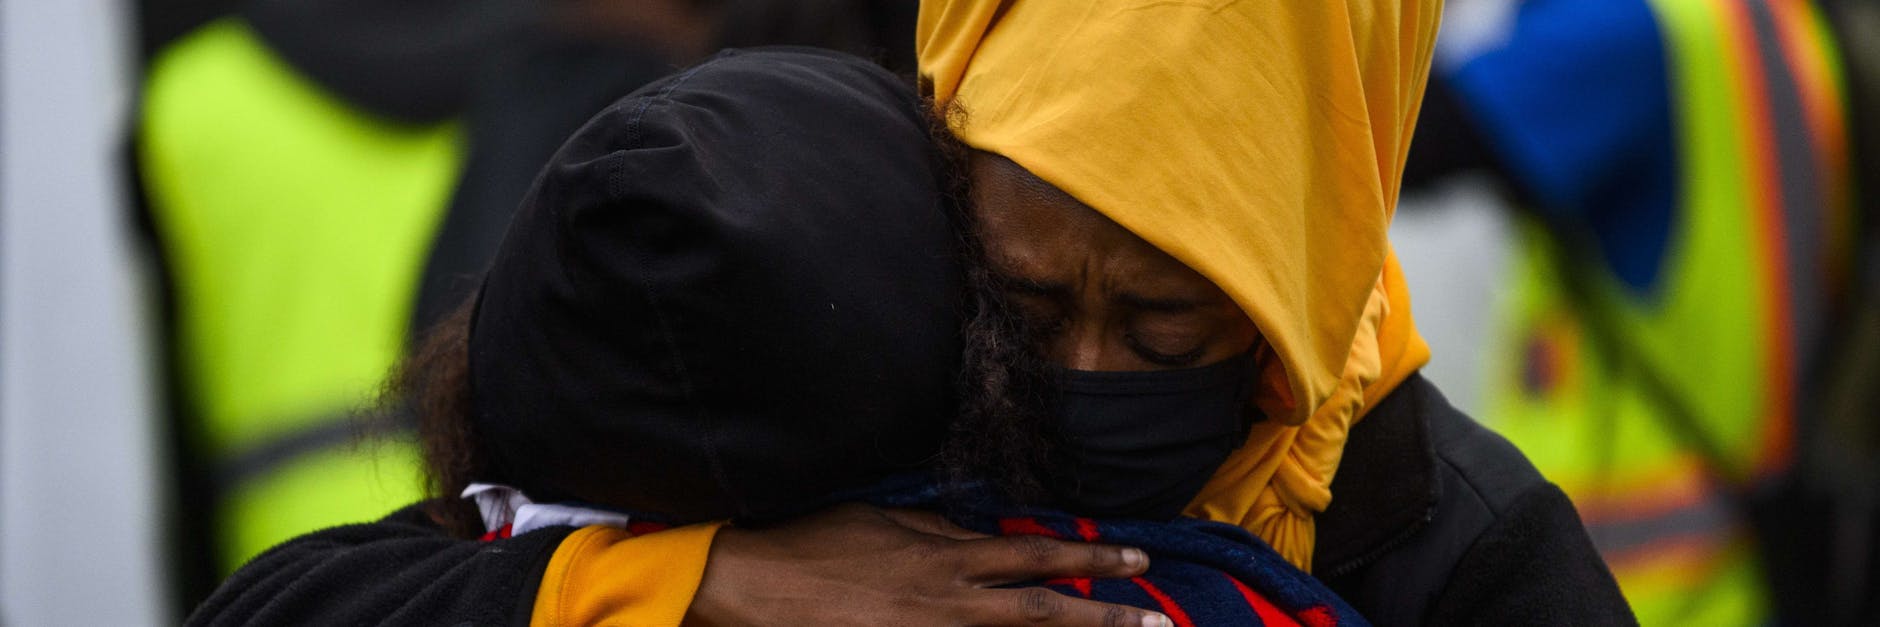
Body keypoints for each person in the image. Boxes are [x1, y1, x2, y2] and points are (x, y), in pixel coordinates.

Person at [192, 1, 1636, 625]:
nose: (1075, 367)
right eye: (1025, 292)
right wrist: (691, 584)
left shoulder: (1448, 538)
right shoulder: (853, 334)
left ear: (1308, 270)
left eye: (1165, 333)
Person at [1400, 0, 1877, 622]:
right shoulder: (1784, 28)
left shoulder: (1632, 30)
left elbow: (1385, 128)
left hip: (1636, 590)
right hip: (1746, 572)